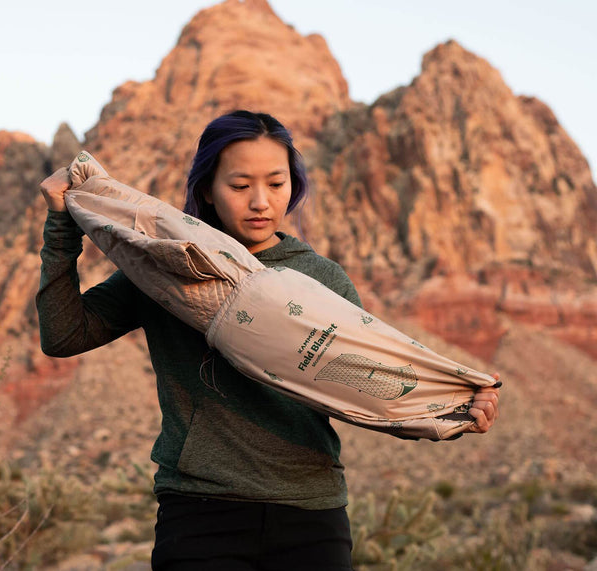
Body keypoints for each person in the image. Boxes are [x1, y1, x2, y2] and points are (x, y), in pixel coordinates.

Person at [36, 110, 500, 570]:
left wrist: (452, 407)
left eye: (276, 184)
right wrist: (62, 230)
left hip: (311, 518)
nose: (261, 201)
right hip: (200, 515)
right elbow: (64, 336)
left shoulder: (322, 277)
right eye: (240, 186)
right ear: (207, 191)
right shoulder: (168, 266)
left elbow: (366, 383)